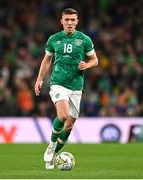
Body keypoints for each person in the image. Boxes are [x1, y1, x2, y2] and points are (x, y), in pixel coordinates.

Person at [34, 8, 98, 169]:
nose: (69, 22)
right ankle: (51, 144)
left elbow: (95, 60)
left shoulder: (84, 40)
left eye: (72, 20)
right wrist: (40, 79)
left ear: (77, 21)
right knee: (62, 115)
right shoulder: (54, 39)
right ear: (61, 21)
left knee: (69, 126)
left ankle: (52, 155)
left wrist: (87, 64)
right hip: (58, 82)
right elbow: (47, 60)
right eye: (67, 20)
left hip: (76, 86)